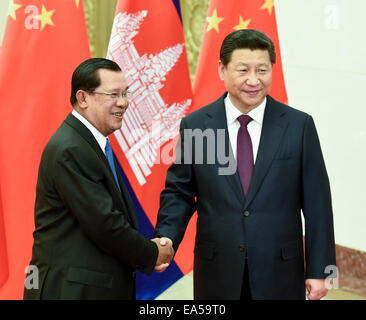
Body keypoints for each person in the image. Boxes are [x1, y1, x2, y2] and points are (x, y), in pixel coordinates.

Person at [154, 29, 336, 300]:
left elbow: (317, 202)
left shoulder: (298, 126)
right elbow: (179, 193)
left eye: (262, 70)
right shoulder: (197, 126)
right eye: (243, 70)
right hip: (218, 269)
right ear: (222, 69)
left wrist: (321, 269)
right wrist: (167, 237)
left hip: (281, 270)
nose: (254, 80)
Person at [24, 58, 174, 300]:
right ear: (83, 98)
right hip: (71, 291)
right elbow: (104, 224)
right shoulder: (70, 148)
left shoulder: (91, 143)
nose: (123, 103)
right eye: (113, 94)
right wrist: (151, 253)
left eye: (126, 93)